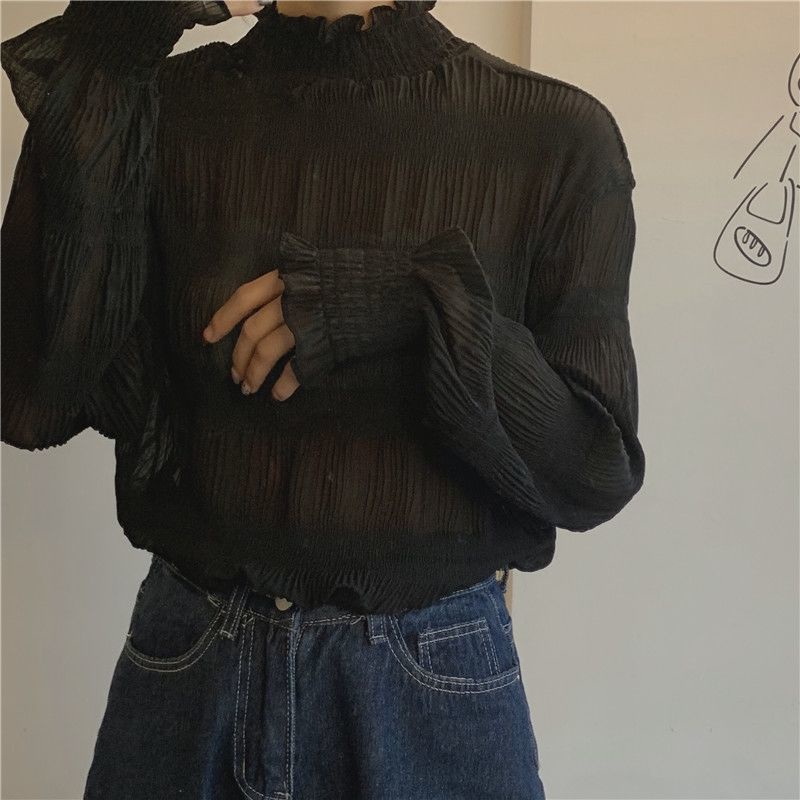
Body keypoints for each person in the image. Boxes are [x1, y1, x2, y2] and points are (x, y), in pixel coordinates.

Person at [1, 1, 646, 797]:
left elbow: (593, 468)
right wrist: (118, 34)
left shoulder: (553, 137)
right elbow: (30, 396)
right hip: (190, 672)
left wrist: (421, 306)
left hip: (426, 698)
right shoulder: (163, 105)